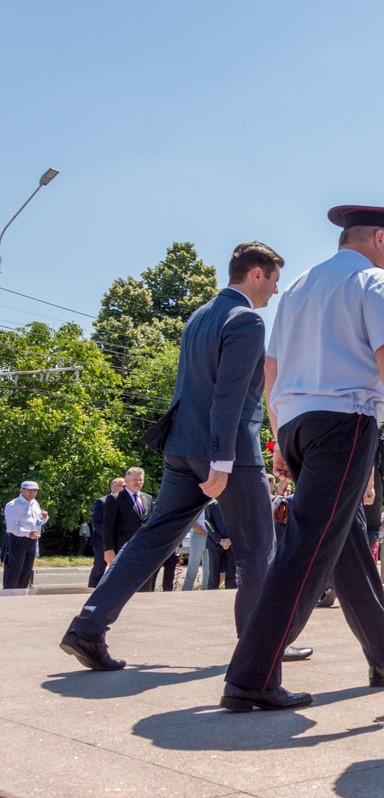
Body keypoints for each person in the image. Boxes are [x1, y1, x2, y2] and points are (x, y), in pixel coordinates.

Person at [220, 204, 384, 713]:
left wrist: (280, 437)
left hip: (297, 425)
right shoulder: (375, 282)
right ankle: (251, 676)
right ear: (381, 238)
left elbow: (271, 369)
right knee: (307, 549)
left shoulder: (298, 286)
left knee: (341, 540)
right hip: (345, 421)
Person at [60, 242, 288, 672]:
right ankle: (260, 648)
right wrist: (222, 462)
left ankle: (87, 627)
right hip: (228, 454)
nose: (276, 291)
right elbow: (228, 395)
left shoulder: (199, 316)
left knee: (152, 539)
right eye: (274, 280)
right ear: (256, 274)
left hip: (181, 447)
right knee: (259, 549)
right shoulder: (247, 320)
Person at [100, 467, 154, 576]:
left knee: (144, 582)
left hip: (145, 549)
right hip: (123, 550)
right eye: (135, 480)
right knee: (123, 580)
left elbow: (150, 523)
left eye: (140, 480)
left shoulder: (148, 498)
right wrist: (108, 549)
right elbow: (107, 526)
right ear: (126, 480)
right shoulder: (115, 498)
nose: (138, 482)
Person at [4, 481, 48, 589]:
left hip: (32, 540)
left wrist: (44, 517)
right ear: (21, 490)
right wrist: (28, 533)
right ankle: (8, 594)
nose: (32, 493)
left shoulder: (35, 503)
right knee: (15, 570)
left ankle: (21, 594)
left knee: (26, 571)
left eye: (35, 490)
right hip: (18, 540)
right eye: (29, 490)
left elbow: (37, 522)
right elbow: (11, 527)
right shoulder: (14, 505)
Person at [88, 477, 124, 587]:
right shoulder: (102, 501)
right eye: (122, 486)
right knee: (99, 566)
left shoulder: (125, 502)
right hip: (102, 541)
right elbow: (97, 522)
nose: (125, 488)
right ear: (114, 486)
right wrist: (108, 536)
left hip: (120, 540)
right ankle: (93, 588)